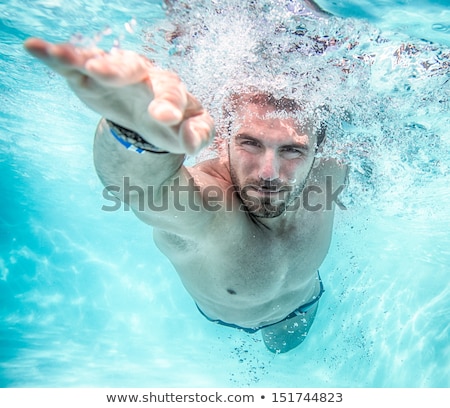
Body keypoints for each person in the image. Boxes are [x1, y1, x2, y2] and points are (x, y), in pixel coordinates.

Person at [24, 37, 347, 353]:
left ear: (318, 152)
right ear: (222, 143)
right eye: (250, 144)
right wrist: (136, 131)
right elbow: (145, 190)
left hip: (305, 303)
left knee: (284, 351)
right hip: (228, 318)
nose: (268, 172)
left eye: (292, 151)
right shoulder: (210, 206)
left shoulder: (331, 170)